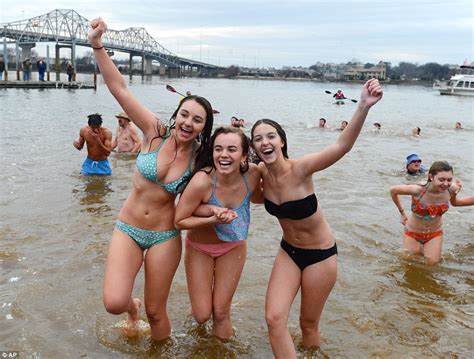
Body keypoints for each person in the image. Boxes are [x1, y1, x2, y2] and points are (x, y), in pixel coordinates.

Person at [88, 17, 214, 341]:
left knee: (157, 313)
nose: (188, 122)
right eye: (185, 114)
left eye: (197, 120)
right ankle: (133, 307)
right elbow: (120, 88)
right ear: (177, 115)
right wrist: (97, 45)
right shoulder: (154, 131)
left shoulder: (202, 157)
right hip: (128, 228)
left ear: (204, 127)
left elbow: (234, 170)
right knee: (113, 303)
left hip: (164, 236)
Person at [251, 78, 383, 357]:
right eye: (258, 138)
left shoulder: (301, 169)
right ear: (254, 147)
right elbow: (244, 190)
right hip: (288, 251)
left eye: (271, 135)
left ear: (282, 140)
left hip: (320, 255)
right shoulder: (259, 173)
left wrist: (363, 106)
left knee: (308, 325)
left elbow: (341, 147)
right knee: (274, 319)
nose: (265, 141)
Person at [174, 126, 263, 339]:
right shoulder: (202, 181)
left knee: (221, 312)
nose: (223, 155)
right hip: (200, 249)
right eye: (218, 149)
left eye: (231, 149)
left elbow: (259, 198)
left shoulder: (252, 174)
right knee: (202, 315)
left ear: (243, 155)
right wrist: (213, 217)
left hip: (233, 248)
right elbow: (179, 220)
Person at [389, 161, 456, 264]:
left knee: (432, 264)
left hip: (435, 233)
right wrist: (402, 213)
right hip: (413, 233)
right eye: (441, 180)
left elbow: (455, 202)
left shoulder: (451, 189)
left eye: (449, 180)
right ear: (431, 177)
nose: (446, 184)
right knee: (408, 264)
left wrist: (455, 195)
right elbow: (393, 191)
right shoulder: (418, 190)